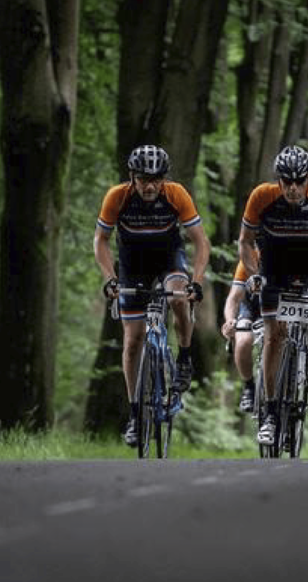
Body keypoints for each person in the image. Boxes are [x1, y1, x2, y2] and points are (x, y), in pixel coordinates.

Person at [93, 145, 211, 446]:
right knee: (133, 340)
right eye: (144, 179)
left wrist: (196, 282)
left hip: (169, 259)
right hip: (132, 265)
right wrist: (110, 279)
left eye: (156, 179)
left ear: (164, 179)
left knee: (178, 298)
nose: (150, 186)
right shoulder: (117, 197)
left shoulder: (176, 194)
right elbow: (101, 240)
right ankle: (135, 415)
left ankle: (184, 358)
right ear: (132, 177)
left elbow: (201, 242)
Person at [237, 145, 308, 446]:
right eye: (286, 181)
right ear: (278, 180)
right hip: (274, 267)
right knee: (274, 337)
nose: (293, 188)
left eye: (299, 181)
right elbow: (245, 242)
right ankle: (271, 414)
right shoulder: (261, 196)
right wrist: (254, 274)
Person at [220, 257, 261, 414]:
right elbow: (234, 298)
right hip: (251, 306)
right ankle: (249, 387)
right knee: (243, 341)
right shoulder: (249, 259)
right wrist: (230, 320)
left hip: (279, 306)